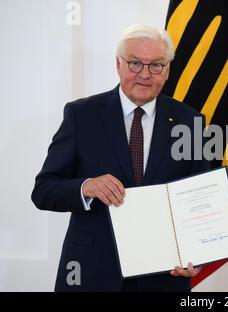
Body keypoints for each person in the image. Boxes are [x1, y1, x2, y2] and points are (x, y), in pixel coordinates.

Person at [31, 24, 209, 292]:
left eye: (156, 65)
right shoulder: (82, 115)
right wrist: (85, 187)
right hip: (92, 271)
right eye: (135, 63)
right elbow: (43, 190)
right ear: (118, 64)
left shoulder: (190, 121)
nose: (145, 74)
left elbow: (200, 199)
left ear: (168, 69)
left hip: (163, 275)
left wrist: (199, 254)